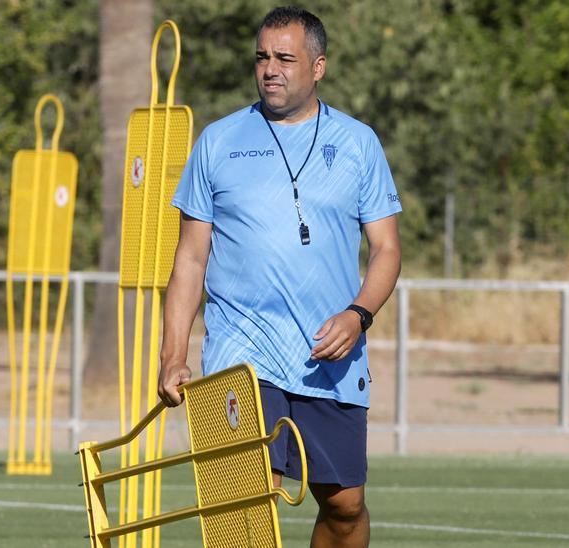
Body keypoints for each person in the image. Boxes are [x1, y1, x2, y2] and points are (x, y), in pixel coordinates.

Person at [156, 6, 402, 547]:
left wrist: (359, 315)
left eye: (285, 58)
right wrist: (174, 354)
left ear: (318, 66)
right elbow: (190, 261)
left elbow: (386, 249)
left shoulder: (359, 143)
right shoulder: (218, 142)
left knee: (345, 508)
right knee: (243, 511)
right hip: (239, 358)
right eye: (263, 57)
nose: (271, 68)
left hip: (327, 356)